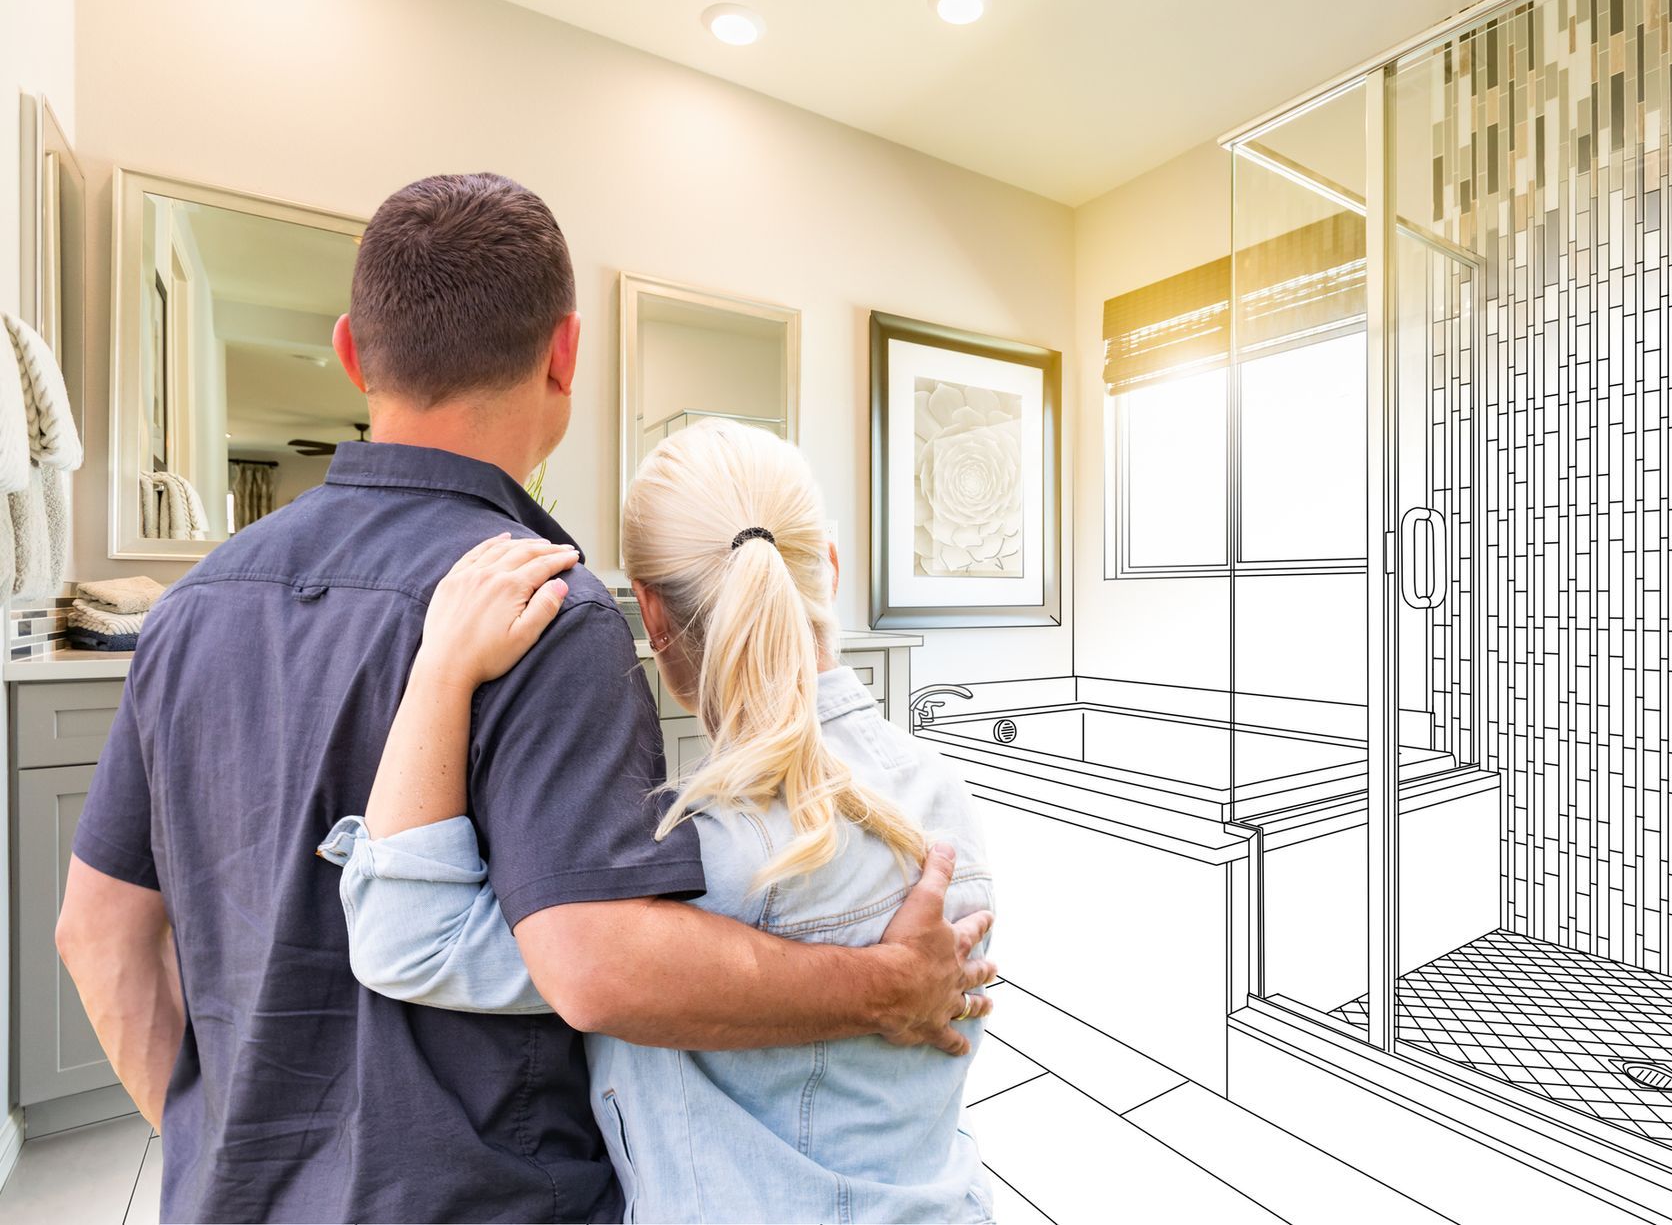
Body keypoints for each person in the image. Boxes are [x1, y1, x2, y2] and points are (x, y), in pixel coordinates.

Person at [54, 174, 994, 1223]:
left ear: (354, 353)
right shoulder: (550, 611)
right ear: (566, 355)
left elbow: (97, 936)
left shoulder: (188, 610)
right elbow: (601, 962)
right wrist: (879, 987)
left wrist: (225, 1155)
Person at [320, 419, 996, 1222]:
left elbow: (410, 936)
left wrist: (441, 669)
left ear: (651, 615)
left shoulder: (698, 864)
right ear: (833, 570)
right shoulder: (945, 796)